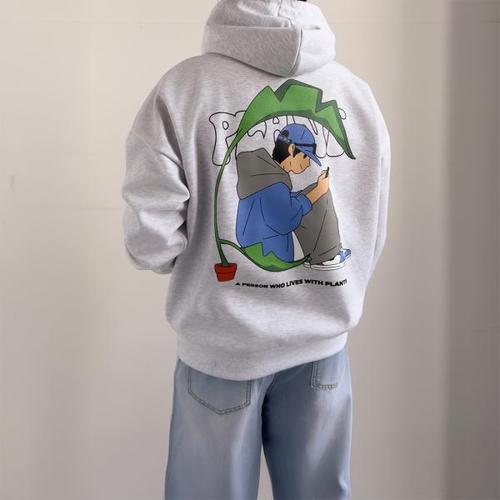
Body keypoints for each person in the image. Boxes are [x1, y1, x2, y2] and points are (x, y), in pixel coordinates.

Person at [122, 0, 391, 498]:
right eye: (303, 158)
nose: (306, 165)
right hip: (323, 352)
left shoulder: (182, 90)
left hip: (221, 349)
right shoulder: (357, 94)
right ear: (289, 152)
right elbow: (369, 233)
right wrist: (315, 209)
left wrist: (193, 261)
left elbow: (150, 243)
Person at [235, 123, 352, 270]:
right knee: (320, 194)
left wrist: (313, 192)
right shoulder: (273, 183)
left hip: (262, 251)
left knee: (312, 193)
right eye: (306, 157)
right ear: (291, 149)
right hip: (270, 256)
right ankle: (327, 257)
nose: (308, 164)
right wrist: (318, 192)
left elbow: (279, 204)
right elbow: (286, 219)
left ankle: (324, 254)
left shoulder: (263, 176)